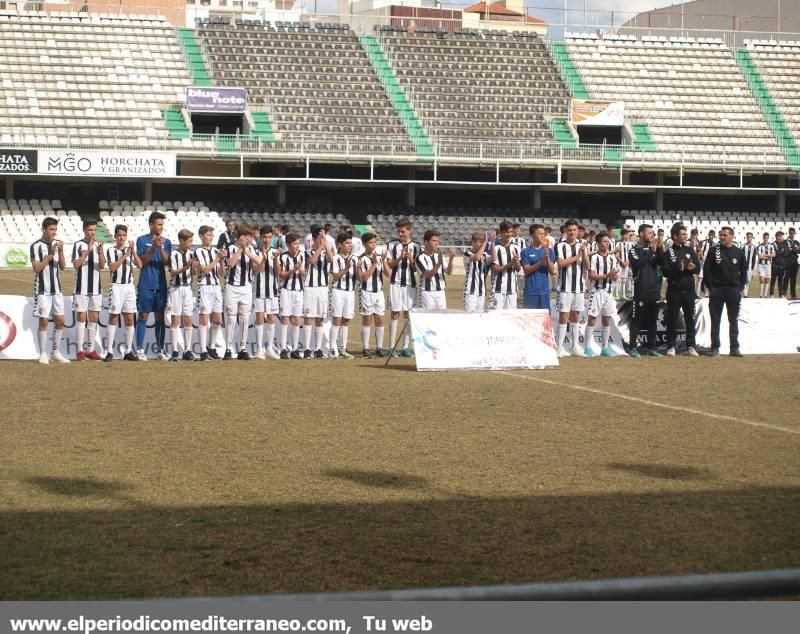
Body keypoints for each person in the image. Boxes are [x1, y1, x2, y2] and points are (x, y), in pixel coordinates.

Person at [703, 226, 748, 357]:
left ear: (732, 237)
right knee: (715, 320)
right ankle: (715, 347)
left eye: (724, 235)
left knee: (733, 320)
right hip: (717, 290)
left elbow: (744, 272)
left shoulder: (739, 252)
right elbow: (707, 270)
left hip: (733, 291)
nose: (721, 237)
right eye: (720, 235)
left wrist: (740, 288)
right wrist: (711, 288)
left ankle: (734, 348)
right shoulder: (713, 251)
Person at [31, 217, 69, 364]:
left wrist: (61, 251)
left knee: (60, 321)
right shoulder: (35, 246)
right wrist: (51, 255)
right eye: (51, 229)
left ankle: (55, 352)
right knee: (44, 321)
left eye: (55, 229)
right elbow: (37, 268)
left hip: (57, 290)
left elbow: (64, 266)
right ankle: (42, 354)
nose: (54, 232)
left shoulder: (56, 244)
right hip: (42, 290)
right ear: (44, 229)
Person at [136, 211, 171, 360]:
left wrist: (160, 247)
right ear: (151, 225)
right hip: (146, 283)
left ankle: (160, 350)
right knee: (143, 315)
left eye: (162, 225)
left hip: (161, 284)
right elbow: (141, 262)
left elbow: (167, 262)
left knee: (160, 316)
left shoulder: (167, 242)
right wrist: (152, 248)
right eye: (158, 224)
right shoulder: (141, 240)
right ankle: (140, 349)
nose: (161, 227)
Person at [224, 223, 262, 360]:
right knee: (231, 318)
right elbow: (231, 264)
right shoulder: (230, 247)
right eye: (249, 237)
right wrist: (241, 249)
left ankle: (242, 348)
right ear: (242, 237)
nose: (251, 240)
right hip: (232, 287)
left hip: (246, 287)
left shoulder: (252, 249)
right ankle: (228, 348)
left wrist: (246, 250)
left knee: (245, 318)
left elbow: (258, 262)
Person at [105, 224, 142, 361]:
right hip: (116, 286)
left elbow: (139, 265)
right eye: (119, 235)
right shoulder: (111, 250)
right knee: (113, 317)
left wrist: (133, 252)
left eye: (124, 235)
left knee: (130, 318)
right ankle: (109, 351)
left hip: (129, 287)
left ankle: (128, 351)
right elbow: (113, 268)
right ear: (115, 236)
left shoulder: (130, 250)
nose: (121, 238)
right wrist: (125, 255)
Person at [384, 218, 421, 357]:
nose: (400, 234)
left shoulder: (416, 246)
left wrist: (411, 259)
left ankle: (405, 346)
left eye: (403, 231)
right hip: (396, 283)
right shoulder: (392, 245)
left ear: (409, 230)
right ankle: (391, 346)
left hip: (410, 284)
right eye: (399, 231)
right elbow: (389, 264)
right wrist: (400, 258)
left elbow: (416, 269)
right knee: (394, 313)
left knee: (407, 313)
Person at [662, 222, 700, 357]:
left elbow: (698, 268)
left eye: (686, 234)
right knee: (672, 318)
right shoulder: (668, 253)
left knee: (690, 318)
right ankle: (671, 346)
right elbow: (665, 272)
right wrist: (677, 269)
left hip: (689, 290)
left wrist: (692, 268)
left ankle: (691, 346)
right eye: (683, 234)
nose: (686, 236)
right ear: (675, 236)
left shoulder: (690, 250)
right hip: (674, 290)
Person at [628, 223, 665, 357]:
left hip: (654, 290)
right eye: (649, 233)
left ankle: (651, 347)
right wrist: (652, 252)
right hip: (641, 290)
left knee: (652, 320)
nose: (652, 235)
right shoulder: (634, 249)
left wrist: (659, 249)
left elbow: (662, 262)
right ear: (642, 233)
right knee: (636, 320)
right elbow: (638, 263)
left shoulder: (653, 249)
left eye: (653, 233)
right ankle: (633, 347)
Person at [71, 218, 106, 361]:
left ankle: (90, 350)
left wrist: (101, 252)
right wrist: (87, 251)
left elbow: (103, 266)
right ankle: (79, 350)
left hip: (96, 288)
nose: (93, 233)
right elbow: (75, 264)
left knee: (94, 318)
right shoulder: (78, 245)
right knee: (81, 317)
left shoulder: (99, 244)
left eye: (94, 230)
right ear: (85, 230)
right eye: (90, 230)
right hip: (81, 288)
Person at [555, 219, 589, 357]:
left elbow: (587, 266)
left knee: (576, 317)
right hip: (565, 287)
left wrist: (584, 253)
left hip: (579, 288)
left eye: (575, 230)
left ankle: (575, 346)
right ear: (565, 231)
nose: (572, 232)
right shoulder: (560, 245)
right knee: (564, 316)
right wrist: (578, 256)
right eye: (570, 230)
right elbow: (561, 263)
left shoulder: (582, 246)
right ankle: (560, 348)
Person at [584, 231, 618, 357]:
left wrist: (614, 276)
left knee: (607, 319)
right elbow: (591, 276)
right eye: (604, 241)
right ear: (598, 243)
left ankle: (605, 348)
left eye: (607, 241)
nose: (607, 243)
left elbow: (615, 276)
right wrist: (606, 276)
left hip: (608, 292)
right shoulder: (594, 258)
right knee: (592, 319)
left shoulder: (612, 258)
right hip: (596, 292)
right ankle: (587, 347)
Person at [194, 225, 226, 361]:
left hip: (216, 286)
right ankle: (202, 351)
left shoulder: (215, 252)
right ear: (201, 236)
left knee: (218, 320)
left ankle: (211, 346)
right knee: (203, 319)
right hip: (204, 287)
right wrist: (218, 258)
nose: (211, 237)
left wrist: (222, 261)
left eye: (212, 235)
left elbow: (222, 274)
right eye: (208, 235)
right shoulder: (198, 251)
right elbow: (206, 270)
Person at [302, 225, 334, 359]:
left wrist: (324, 242)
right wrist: (320, 245)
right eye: (318, 238)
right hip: (310, 288)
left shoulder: (326, 251)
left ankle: (318, 348)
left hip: (322, 288)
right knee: (309, 318)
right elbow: (312, 261)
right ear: (313, 240)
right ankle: (307, 349)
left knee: (320, 318)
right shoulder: (307, 251)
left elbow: (331, 259)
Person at [252, 226, 281, 360]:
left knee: (271, 318)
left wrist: (275, 259)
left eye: (269, 237)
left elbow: (278, 273)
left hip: (272, 291)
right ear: (260, 237)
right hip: (258, 290)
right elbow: (255, 271)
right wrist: (263, 259)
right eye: (264, 237)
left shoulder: (275, 252)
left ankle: (269, 348)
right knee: (259, 319)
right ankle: (259, 349)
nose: (267, 240)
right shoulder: (254, 251)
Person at [167, 229, 196, 362]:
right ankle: (174, 351)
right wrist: (186, 267)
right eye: (189, 241)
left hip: (188, 289)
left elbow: (193, 273)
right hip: (176, 289)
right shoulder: (173, 254)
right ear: (182, 241)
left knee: (188, 319)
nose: (191, 243)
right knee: (175, 319)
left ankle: (187, 350)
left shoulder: (191, 254)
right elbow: (172, 273)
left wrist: (194, 268)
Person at [329, 232, 358, 359]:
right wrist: (346, 269)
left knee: (346, 320)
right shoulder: (336, 258)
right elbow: (335, 276)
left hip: (350, 292)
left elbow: (360, 277)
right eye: (346, 243)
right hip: (338, 291)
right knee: (337, 319)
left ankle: (343, 348)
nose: (349, 245)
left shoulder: (355, 258)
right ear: (340, 244)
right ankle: (332, 348)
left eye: (350, 243)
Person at [358, 232, 387, 357]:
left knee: (380, 319)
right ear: (365, 244)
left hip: (379, 292)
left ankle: (379, 347)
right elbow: (363, 278)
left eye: (374, 242)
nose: (373, 245)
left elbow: (388, 274)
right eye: (371, 243)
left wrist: (384, 261)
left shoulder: (379, 257)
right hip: (367, 292)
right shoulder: (362, 259)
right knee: (367, 319)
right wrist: (374, 264)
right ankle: (365, 348)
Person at [278, 233, 305, 359]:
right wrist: (294, 270)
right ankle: (283, 349)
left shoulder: (302, 256)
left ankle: (294, 349)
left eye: (298, 243)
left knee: (296, 319)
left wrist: (300, 269)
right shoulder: (283, 257)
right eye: (294, 244)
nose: (297, 246)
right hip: (286, 290)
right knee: (285, 319)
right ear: (288, 245)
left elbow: (305, 274)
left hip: (299, 291)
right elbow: (281, 274)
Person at [416, 230, 455, 310]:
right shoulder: (420, 258)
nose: (436, 243)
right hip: (427, 293)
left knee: (441, 318)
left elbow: (448, 272)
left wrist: (451, 259)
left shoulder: (439, 256)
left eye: (437, 241)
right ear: (426, 242)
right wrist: (439, 263)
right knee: (428, 319)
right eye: (434, 241)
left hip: (440, 292)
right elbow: (428, 275)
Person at [520, 224, 555, 310]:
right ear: (532, 235)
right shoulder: (526, 251)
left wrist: (547, 259)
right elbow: (526, 270)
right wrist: (541, 262)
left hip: (544, 291)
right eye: (539, 233)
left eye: (543, 233)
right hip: (531, 292)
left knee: (544, 319)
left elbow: (552, 271)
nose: (542, 235)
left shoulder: (548, 250)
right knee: (529, 318)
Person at [490, 220, 521, 310]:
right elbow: (494, 269)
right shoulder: (496, 248)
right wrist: (511, 263)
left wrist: (516, 262)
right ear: (501, 233)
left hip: (512, 290)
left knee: (511, 317)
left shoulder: (516, 248)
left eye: (511, 232)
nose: (509, 234)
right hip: (498, 289)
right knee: (496, 317)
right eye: (506, 232)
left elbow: (518, 269)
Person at [463, 231, 489, 313]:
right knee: (470, 317)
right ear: (473, 242)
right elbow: (477, 257)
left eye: (482, 242)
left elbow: (494, 258)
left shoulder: (484, 255)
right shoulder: (467, 253)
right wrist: (485, 243)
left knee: (480, 317)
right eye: (480, 242)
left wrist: (493, 241)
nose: (482, 244)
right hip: (470, 291)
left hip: (482, 292)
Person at [614, 228, 634, 299]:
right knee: (618, 280)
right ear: (622, 235)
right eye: (626, 234)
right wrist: (622, 262)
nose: (627, 236)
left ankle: (623, 295)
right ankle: (616, 294)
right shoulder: (618, 244)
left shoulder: (630, 244)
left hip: (626, 264)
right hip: (619, 264)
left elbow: (631, 255)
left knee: (624, 280)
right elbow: (616, 255)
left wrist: (627, 262)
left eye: (628, 235)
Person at [771, 231, 790, 298]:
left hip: (782, 265)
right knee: (773, 280)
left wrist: (781, 251)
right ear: (778, 236)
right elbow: (775, 253)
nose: (782, 238)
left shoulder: (784, 244)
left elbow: (786, 253)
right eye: (781, 236)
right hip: (775, 265)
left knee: (781, 281)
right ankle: (772, 294)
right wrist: (781, 251)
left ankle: (781, 294)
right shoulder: (773, 244)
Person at [756, 232, 775, 299]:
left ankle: (765, 295)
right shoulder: (760, 246)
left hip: (768, 265)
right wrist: (769, 256)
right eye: (764, 238)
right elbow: (760, 256)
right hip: (761, 264)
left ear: (768, 238)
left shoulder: (771, 246)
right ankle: (761, 295)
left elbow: (774, 254)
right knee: (761, 279)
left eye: (766, 238)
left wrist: (765, 255)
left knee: (767, 280)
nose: (765, 239)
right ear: (763, 238)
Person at [741, 232, 758, 297]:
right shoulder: (742, 246)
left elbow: (754, 258)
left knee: (748, 280)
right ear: (746, 237)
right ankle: (744, 294)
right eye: (748, 237)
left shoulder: (754, 247)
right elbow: (740, 256)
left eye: (750, 237)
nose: (749, 238)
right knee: (744, 279)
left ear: (752, 238)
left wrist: (753, 267)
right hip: (743, 266)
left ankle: (745, 293)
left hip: (750, 266)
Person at [786, 227, 800, 299]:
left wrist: (793, 249)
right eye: (791, 233)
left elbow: (799, 251)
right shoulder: (786, 241)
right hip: (787, 263)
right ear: (789, 233)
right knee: (786, 278)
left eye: (793, 233)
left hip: (795, 263)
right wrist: (795, 249)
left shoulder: (796, 242)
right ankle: (783, 294)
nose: (792, 234)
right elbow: (787, 251)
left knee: (793, 279)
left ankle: (793, 295)